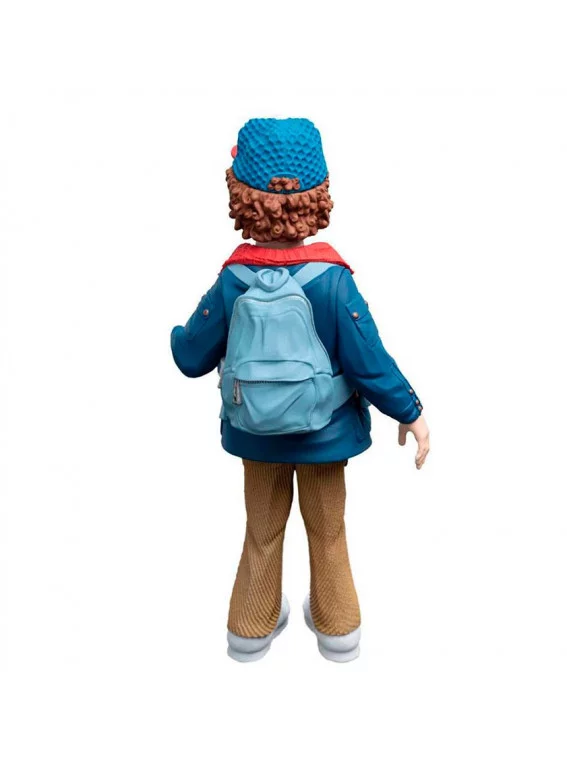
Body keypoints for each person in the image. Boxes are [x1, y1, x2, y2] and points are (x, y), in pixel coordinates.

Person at [171, 118, 430, 662]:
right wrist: (410, 411)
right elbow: (369, 361)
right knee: (328, 532)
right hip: (325, 437)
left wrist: (179, 334)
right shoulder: (333, 280)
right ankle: (338, 630)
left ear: (240, 194)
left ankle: (250, 629)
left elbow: (191, 357)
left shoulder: (231, 280)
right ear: (319, 195)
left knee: (261, 532)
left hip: (256, 437)